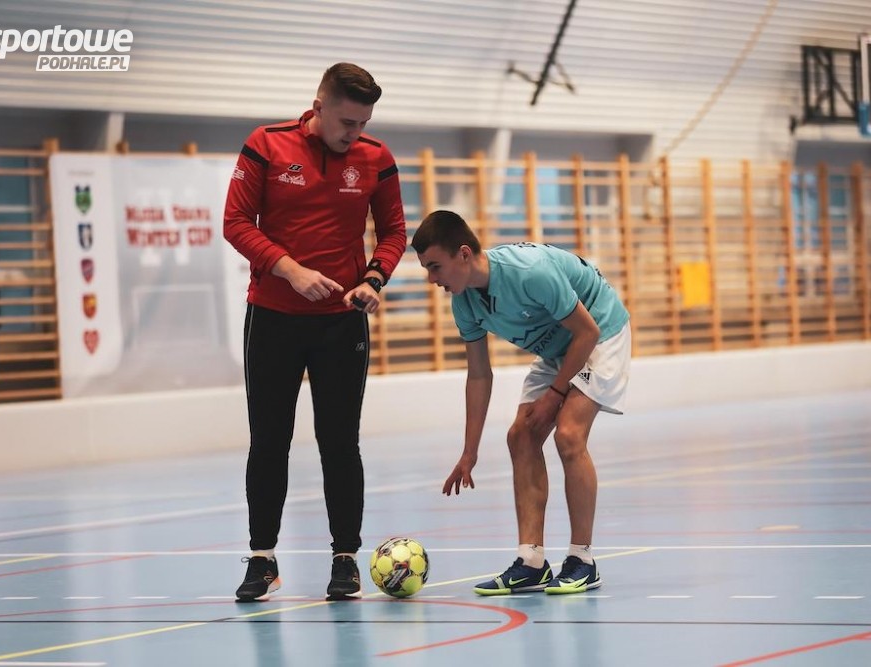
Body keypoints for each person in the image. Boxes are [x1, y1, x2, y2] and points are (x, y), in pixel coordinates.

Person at [223, 63, 407, 602]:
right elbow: (236, 222)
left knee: (340, 442)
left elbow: (394, 231)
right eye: (347, 122)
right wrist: (289, 270)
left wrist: (373, 279)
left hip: (341, 324)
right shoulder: (266, 144)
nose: (355, 133)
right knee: (269, 441)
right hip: (272, 318)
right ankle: (262, 559)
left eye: (364, 123)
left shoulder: (376, 157)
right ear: (319, 106)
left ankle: (345, 559)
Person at [412, 210, 631, 596]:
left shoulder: (529, 272)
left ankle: (583, 560)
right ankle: (531, 562)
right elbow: (479, 375)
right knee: (521, 436)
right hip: (559, 346)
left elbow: (587, 332)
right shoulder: (464, 303)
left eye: (435, 267)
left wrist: (555, 395)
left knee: (568, 435)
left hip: (599, 332)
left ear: (464, 254)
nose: (432, 279)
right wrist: (469, 452)